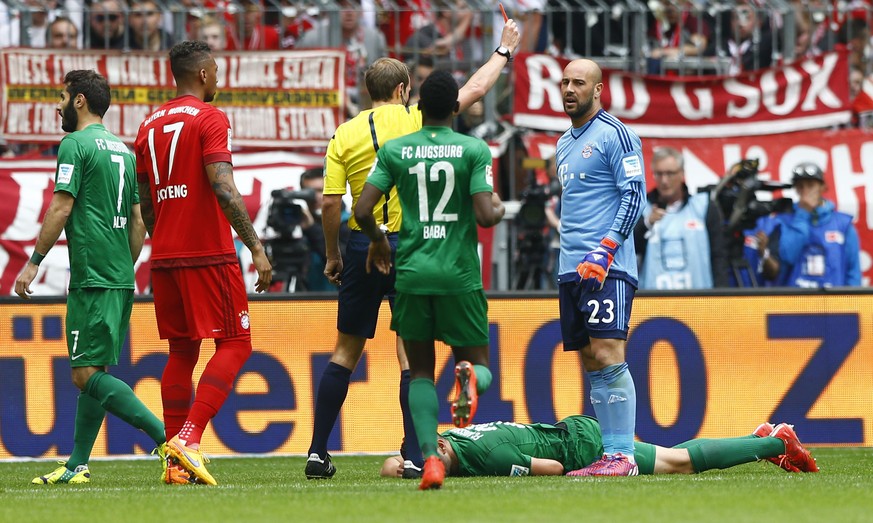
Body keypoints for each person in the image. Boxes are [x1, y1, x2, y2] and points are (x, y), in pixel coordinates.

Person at [305, 20, 520, 482]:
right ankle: (412, 452)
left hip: (365, 244)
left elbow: (329, 202)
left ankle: (317, 451)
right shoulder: (421, 119)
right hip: (415, 247)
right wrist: (503, 49)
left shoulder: (344, 133)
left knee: (345, 351)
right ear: (404, 90)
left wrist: (333, 254)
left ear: (368, 92)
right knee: (411, 358)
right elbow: (478, 86)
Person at [14, 70, 167, 484]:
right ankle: (77, 464)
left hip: (93, 276)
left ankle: (167, 442)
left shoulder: (74, 144)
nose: (57, 105)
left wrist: (34, 261)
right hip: (118, 275)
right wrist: (124, 264)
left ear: (79, 101)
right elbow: (138, 222)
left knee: (85, 373)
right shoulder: (122, 150)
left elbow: (61, 207)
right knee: (93, 369)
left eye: (62, 97)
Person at [356, 70, 506, 490]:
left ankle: (429, 462)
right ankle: (470, 381)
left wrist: (378, 243)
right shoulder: (473, 149)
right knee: (478, 363)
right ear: (457, 108)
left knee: (420, 372)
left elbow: (364, 209)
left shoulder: (396, 150)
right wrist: (500, 208)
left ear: (418, 108)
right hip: (459, 276)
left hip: (413, 274)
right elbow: (484, 214)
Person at [134, 40, 273, 486]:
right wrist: (255, 247)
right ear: (203, 74)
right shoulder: (210, 118)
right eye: (216, 70)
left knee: (181, 351)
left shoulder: (147, 125)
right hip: (208, 253)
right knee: (236, 343)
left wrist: (165, 240)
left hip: (166, 255)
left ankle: (175, 466)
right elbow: (224, 187)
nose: (219, 78)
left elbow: (146, 203)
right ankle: (189, 439)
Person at [554, 59, 646, 476]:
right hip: (571, 268)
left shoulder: (616, 134)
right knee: (591, 360)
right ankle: (609, 454)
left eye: (579, 82)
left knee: (609, 352)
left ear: (598, 89)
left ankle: (623, 455)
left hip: (606, 266)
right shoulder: (562, 143)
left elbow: (635, 196)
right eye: (565, 82)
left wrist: (606, 250)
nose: (569, 88)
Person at [380, 417, 819, 478]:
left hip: (581, 446)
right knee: (674, 455)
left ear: (439, 442)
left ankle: (772, 443)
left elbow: (551, 469)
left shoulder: (489, 457)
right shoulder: (450, 438)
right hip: (574, 432)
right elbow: (388, 465)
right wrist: (406, 466)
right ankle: (760, 440)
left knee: (678, 463)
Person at [634, 146, 728, 290]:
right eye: (659, 174)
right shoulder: (641, 208)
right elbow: (628, 251)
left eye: (670, 173)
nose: (664, 180)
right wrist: (646, 223)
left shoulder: (703, 206)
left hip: (700, 301)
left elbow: (719, 256)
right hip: (652, 304)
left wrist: (721, 298)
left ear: (682, 173)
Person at [771, 162, 861, 288]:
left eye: (811, 185)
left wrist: (852, 302)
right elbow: (788, 257)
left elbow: (853, 271)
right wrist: (802, 214)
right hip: (794, 302)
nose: (805, 191)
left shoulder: (843, 224)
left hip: (834, 302)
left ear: (823, 187)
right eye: (800, 186)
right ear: (796, 189)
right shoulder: (784, 221)